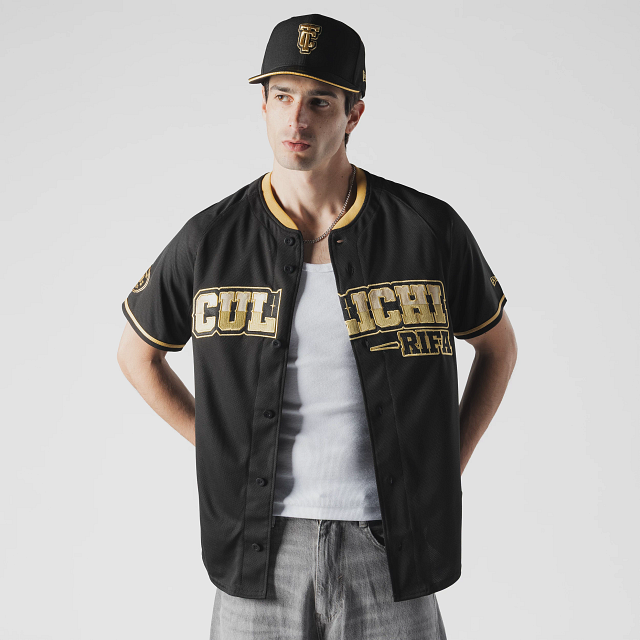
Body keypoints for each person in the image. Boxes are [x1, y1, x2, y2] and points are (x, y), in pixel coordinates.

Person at [117, 13, 517, 640]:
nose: (296, 120)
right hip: (259, 550)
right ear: (263, 105)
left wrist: (442, 466)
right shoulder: (211, 240)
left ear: (354, 114)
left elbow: (498, 348)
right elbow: (136, 355)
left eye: (319, 102)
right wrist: (221, 447)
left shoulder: (427, 230)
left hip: (389, 549)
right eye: (281, 97)